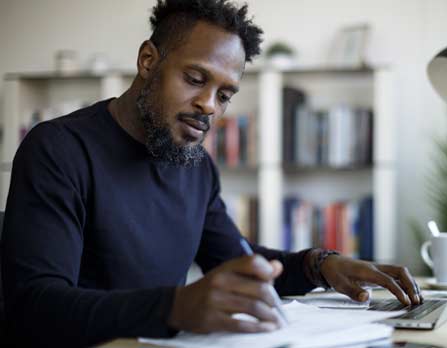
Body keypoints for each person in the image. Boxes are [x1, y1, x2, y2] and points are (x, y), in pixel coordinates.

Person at [1, 0, 422, 347]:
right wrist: (175, 307)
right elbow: (36, 306)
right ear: (148, 60)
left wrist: (320, 265)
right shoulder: (58, 149)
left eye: (224, 94)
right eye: (195, 78)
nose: (209, 105)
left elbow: (241, 262)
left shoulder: (197, 167)